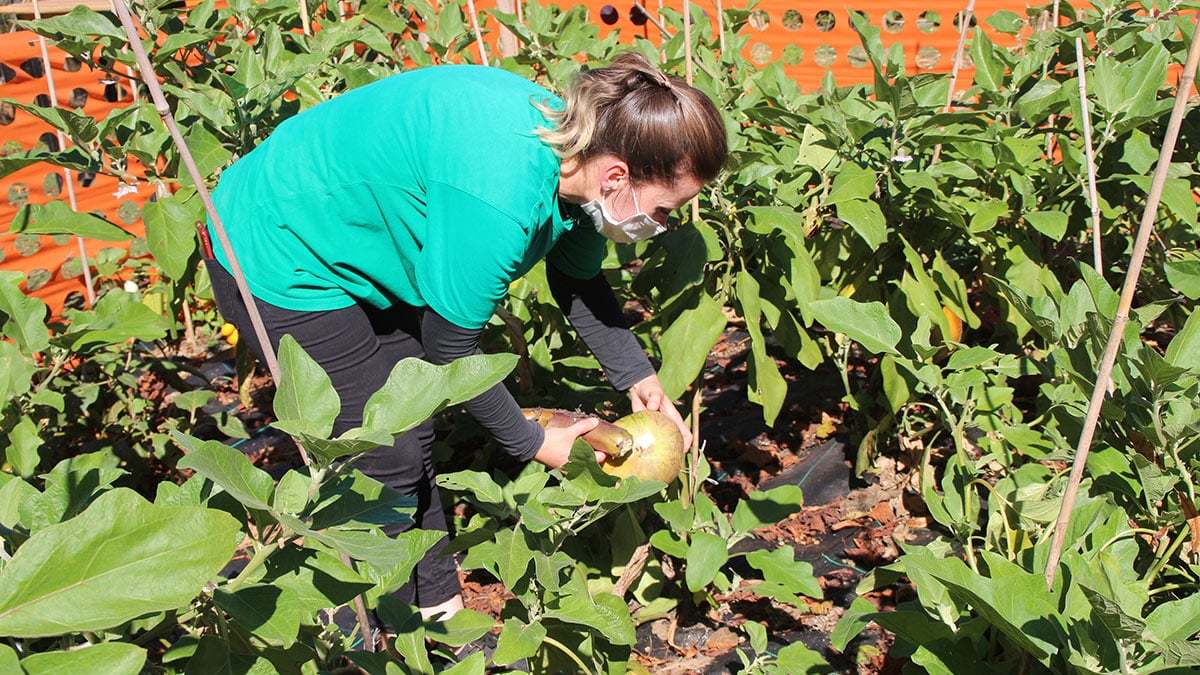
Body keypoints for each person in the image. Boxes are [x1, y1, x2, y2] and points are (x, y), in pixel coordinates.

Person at [203, 52, 727, 623]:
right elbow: (450, 349)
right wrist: (529, 441)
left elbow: (577, 282)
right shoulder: (501, 197)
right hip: (277, 248)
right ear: (617, 176)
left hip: (361, 243)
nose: (663, 225)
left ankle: (439, 616)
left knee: (410, 434)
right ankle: (367, 638)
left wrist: (638, 379)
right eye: (663, 210)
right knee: (379, 453)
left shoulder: (578, 173)